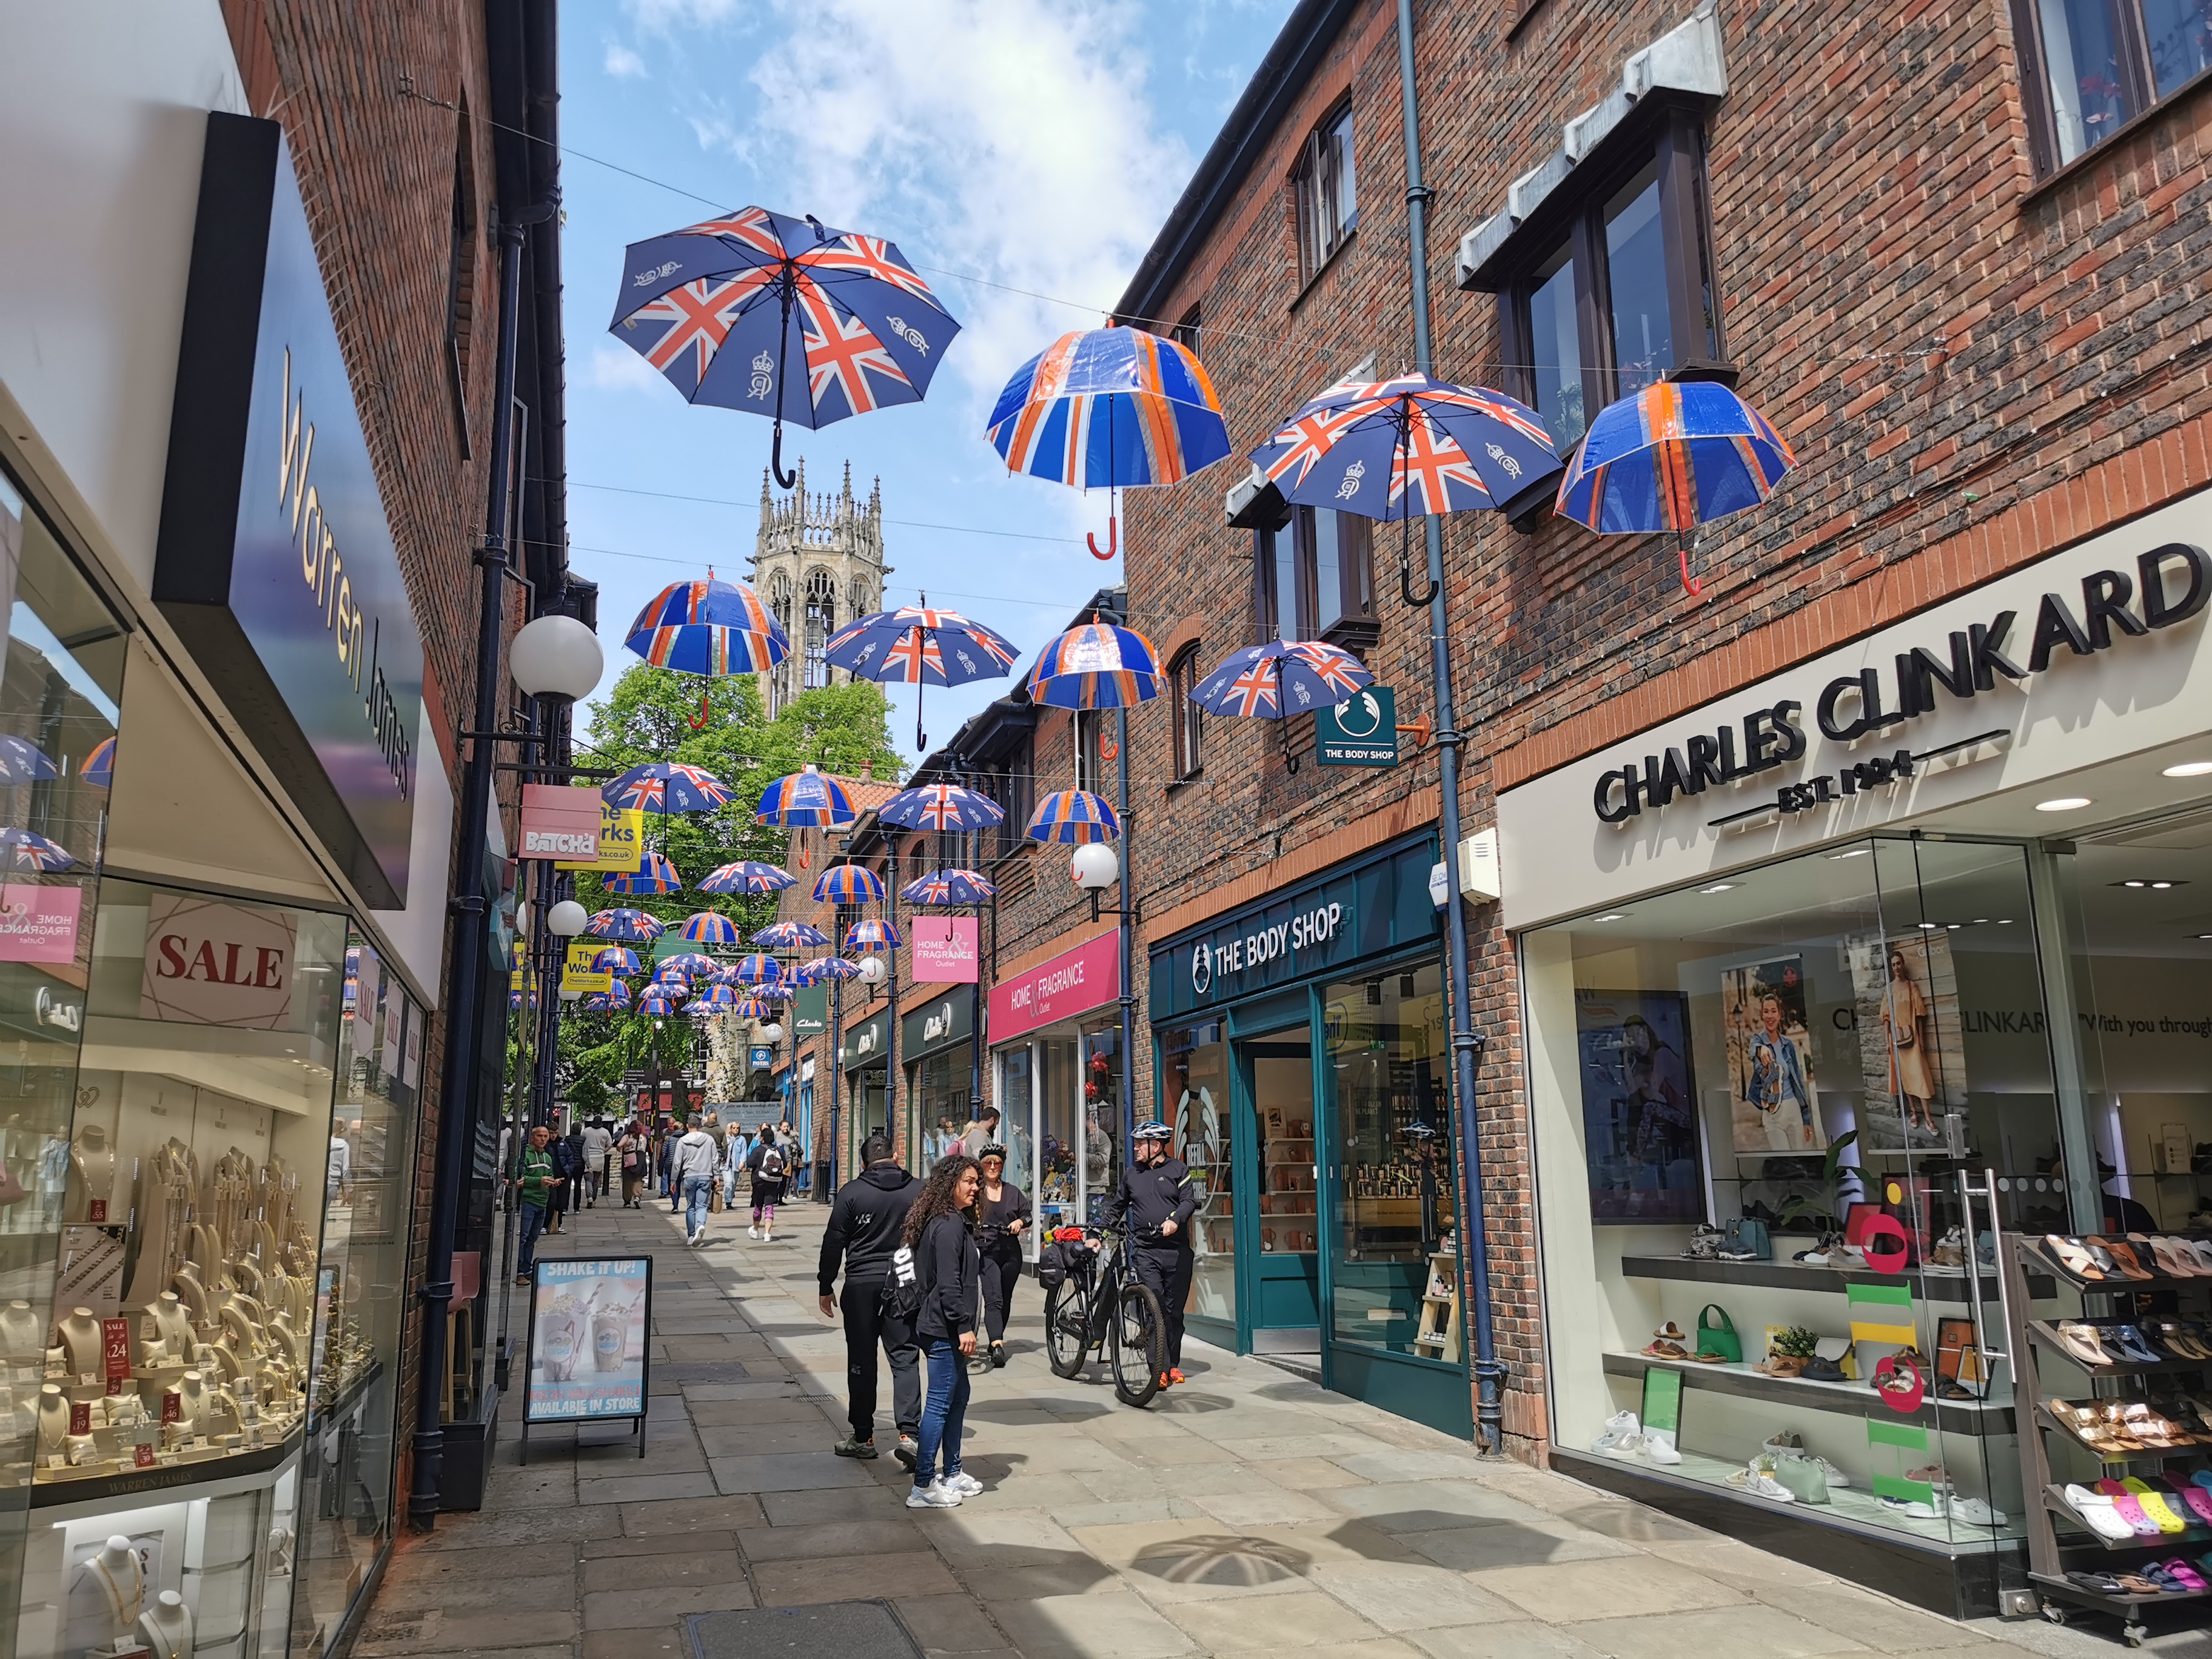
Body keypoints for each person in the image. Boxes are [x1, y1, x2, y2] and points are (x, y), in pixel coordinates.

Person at [819, 1134, 923, 1464]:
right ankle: (910, 1435)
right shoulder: (918, 1190)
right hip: (904, 1282)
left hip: (861, 1285)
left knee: (861, 1360)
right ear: (897, 1155)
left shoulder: (852, 1193)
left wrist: (825, 1285)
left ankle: (863, 1436)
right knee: (905, 1356)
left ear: (863, 1163)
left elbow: (833, 1241)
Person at [903, 1153, 982, 1509]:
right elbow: (949, 1284)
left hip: (941, 1325)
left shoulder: (949, 1220)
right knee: (938, 1404)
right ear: (950, 1183)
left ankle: (952, 1472)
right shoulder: (948, 1224)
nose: (976, 1187)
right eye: (969, 1180)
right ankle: (922, 1485)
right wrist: (963, 1326)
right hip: (944, 1329)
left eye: (976, 1181)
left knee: (958, 1397)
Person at [1104, 1121, 1198, 1390]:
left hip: (1177, 1252)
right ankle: (1159, 1368)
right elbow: (1117, 1206)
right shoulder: (1132, 1174)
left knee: (1174, 1312)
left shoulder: (1178, 1169)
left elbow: (1188, 1201)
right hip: (1146, 1251)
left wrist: (1176, 1220)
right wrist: (1098, 1235)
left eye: (1139, 1143)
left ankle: (1174, 1364)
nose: (1135, 1148)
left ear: (1155, 1146)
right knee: (1153, 1307)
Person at [973, 1141, 1029, 1369]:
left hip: (1011, 1252)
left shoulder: (1013, 1192)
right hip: (987, 1251)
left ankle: (997, 1335)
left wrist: (1019, 1221)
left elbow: (1027, 1214)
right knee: (993, 1297)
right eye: (988, 1162)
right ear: (982, 1166)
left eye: (997, 1162)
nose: (993, 1166)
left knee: (1005, 1296)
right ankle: (997, 1344)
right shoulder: (975, 1191)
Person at [1745, 991, 1817, 1151]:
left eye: (1773, 1011)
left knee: (1799, 1160)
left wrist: (1806, 1120)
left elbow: (1797, 1079)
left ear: (1779, 1014)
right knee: (1784, 1163)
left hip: (1793, 1110)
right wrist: (1761, 1050)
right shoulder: (1757, 1041)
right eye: (1766, 1011)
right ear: (1762, 1015)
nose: (1770, 1016)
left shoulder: (1788, 1045)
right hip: (1772, 1114)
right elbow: (1753, 1050)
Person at [509, 1123, 564, 1282]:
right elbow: (520, 1178)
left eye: (545, 1136)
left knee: (533, 1238)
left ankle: (528, 1269)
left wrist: (553, 1182)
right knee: (524, 1237)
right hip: (529, 1200)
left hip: (542, 1201)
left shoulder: (547, 1157)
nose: (543, 1139)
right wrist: (539, 1180)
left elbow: (549, 1175)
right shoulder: (525, 1155)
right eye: (540, 1136)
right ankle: (520, 1272)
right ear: (532, 1137)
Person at [674, 1117, 720, 1247]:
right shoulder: (709, 1139)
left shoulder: (682, 1141)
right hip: (705, 1175)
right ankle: (700, 1225)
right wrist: (716, 1175)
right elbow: (715, 1159)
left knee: (691, 1207)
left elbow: (677, 1162)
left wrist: (673, 1180)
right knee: (702, 1205)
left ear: (687, 1126)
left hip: (689, 1176)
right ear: (700, 1125)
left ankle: (691, 1235)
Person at [748, 1126, 788, 1240]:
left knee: (758, 1206)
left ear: (762, 1138)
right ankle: (767, 1233)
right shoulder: (778, 1150)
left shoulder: (758, 1150)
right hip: (773, 1181)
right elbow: (784, 1164)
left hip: (759, 1180)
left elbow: (750, 1163)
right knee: (769, 1206)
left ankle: (755, 1230)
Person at [580, 1117, 612, 1207]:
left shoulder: (586, 1131)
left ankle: (589, 1197)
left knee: (588, 1179)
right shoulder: (605, 1132)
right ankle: (594, 1199)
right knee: (596, 1180)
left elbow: (582, 1142)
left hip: (589, 1157)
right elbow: (610, 1145)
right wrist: (603, 1151)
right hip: (600, 1158)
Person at [617, 1119, 649, 1208]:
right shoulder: (643, 1138)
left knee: (627, 1181)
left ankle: (627, 1201)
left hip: (628, 1161)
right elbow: (645, 1151)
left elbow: (619, 1146)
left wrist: (624, 1148)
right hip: (640, 1159)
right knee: (638, 1180)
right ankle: (637, 1197)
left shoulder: (627, 1137)